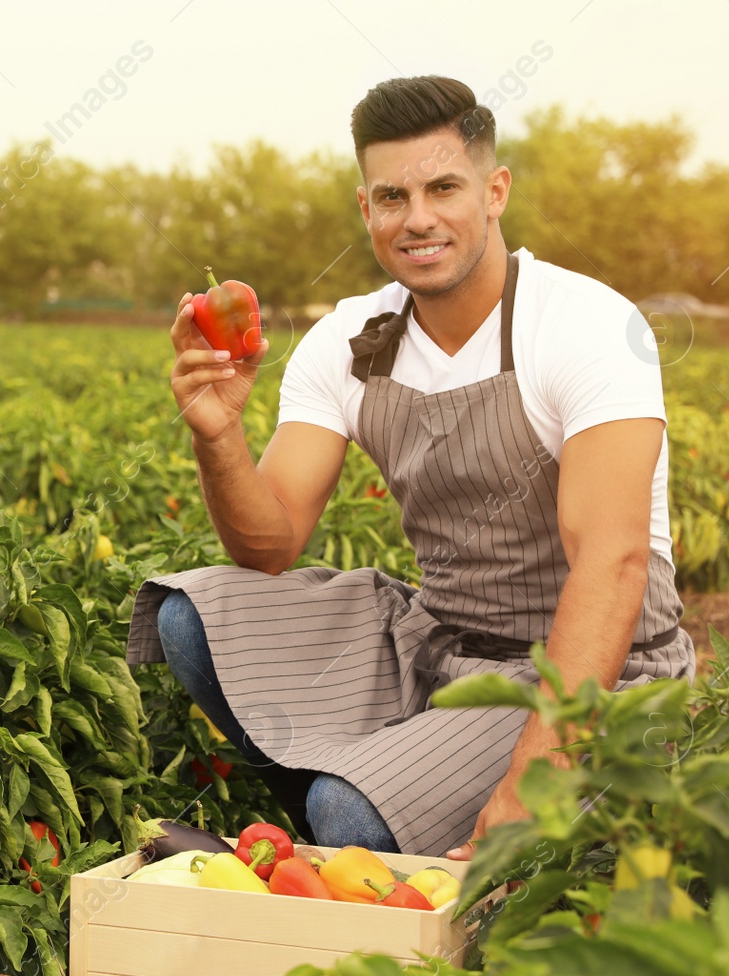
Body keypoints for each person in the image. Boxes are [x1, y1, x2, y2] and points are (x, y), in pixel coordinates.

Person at [125, 75, 696, 861]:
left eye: (444, 187)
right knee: (192, 615)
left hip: (599, 667)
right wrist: (218, 436)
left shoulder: (585, 325)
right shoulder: (351, 338)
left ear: (494, 192)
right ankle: (373, 839)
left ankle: (379, 833)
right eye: (393, 195)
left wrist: (541, 765)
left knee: (349, 814)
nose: (418, 218)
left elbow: (614, 560)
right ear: (366, 208)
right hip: (442, 638)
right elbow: (268, 547)